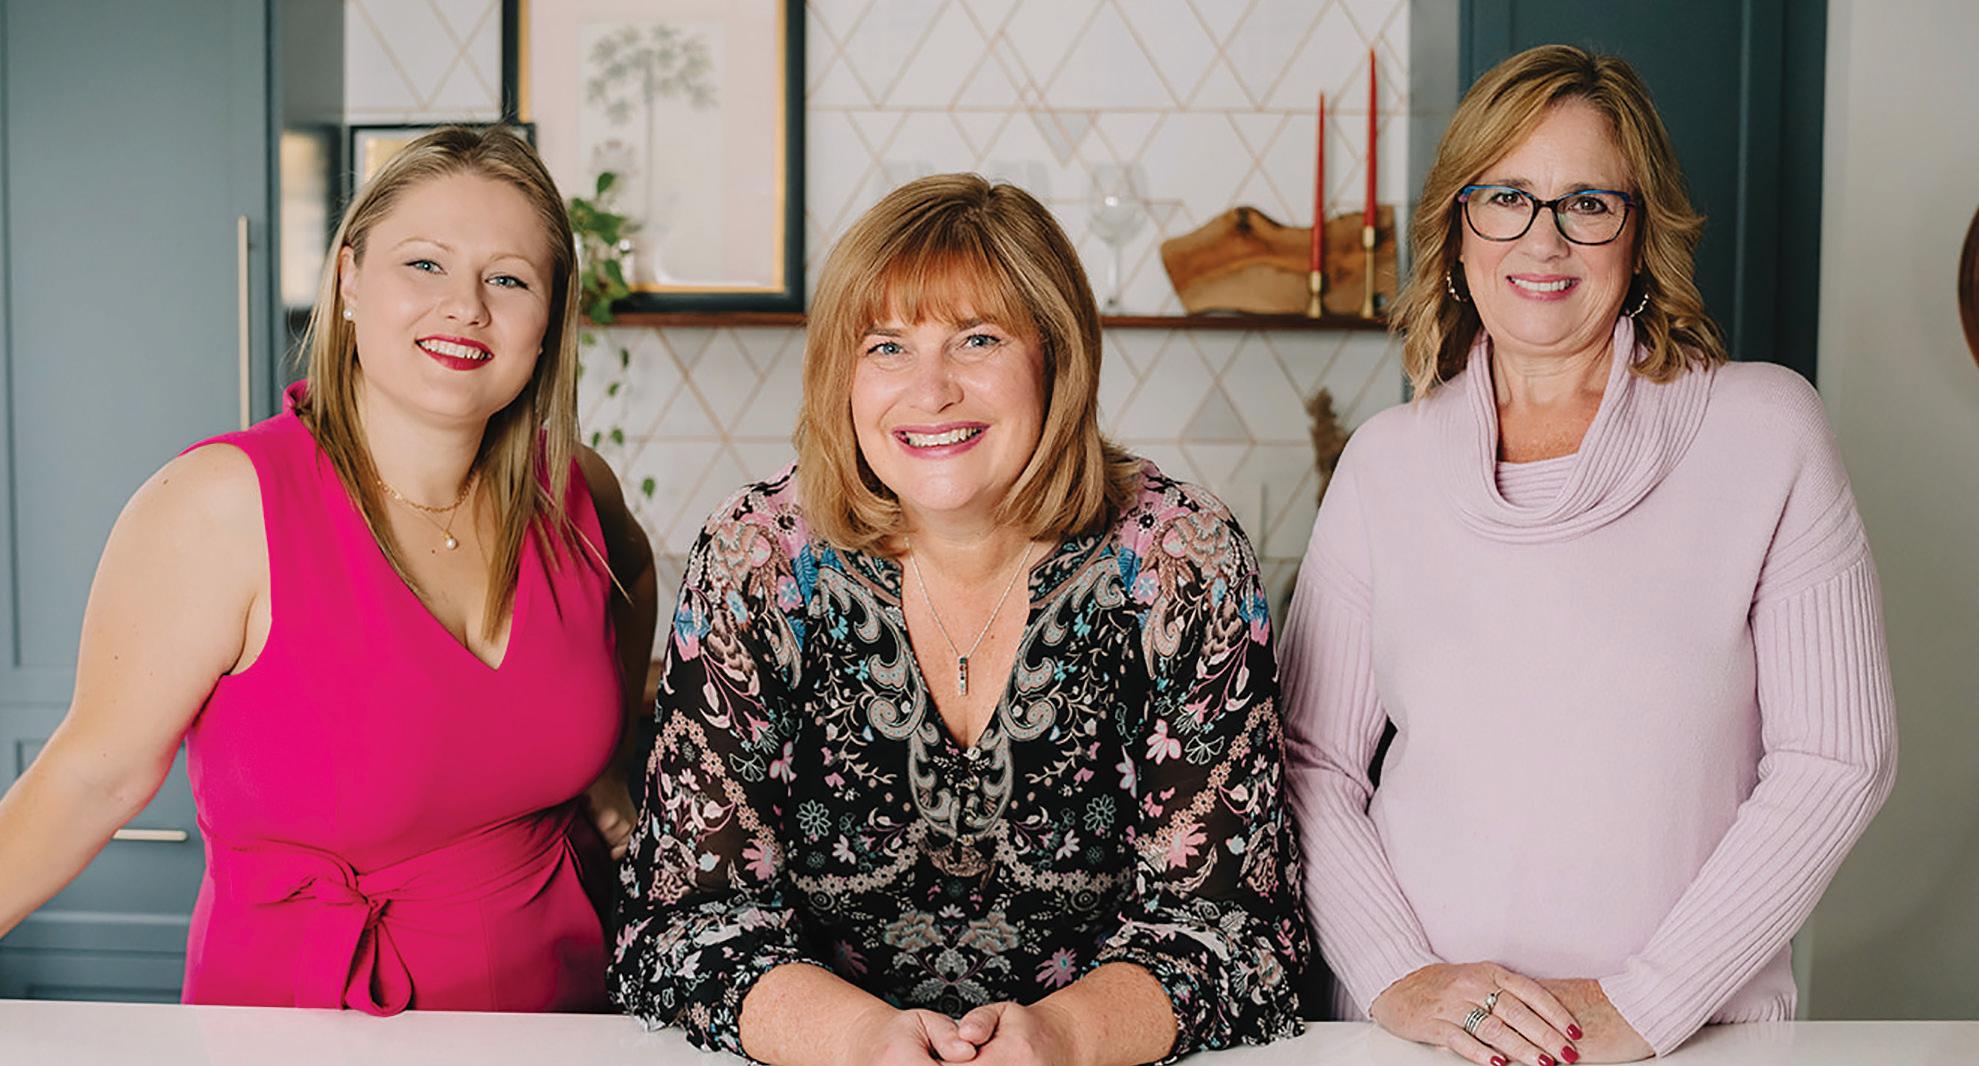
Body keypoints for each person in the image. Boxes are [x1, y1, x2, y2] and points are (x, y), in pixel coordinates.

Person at [1280, 44, 1897, 1066]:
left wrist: (1643, 1005)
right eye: (1505, 198)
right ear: (1455, 231)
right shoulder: (1383, 465)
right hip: (1420, 1042)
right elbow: (1309, 763)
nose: (1543, 237)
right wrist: (1399, 977)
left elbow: (1836, 760)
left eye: (1587, 203)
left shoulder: (1764, 431)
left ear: (1639, 233)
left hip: (1690, 1041)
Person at [609, 174, 1311, 1065]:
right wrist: (860, 1041)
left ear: (1056, 357)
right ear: (840, 376)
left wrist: (1064, 1036)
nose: (930, 390)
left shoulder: (1180, 559)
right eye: (887, 347)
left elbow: (1235, 926)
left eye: (978, 339)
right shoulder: (759, 558)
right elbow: (684, 921)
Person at [0, 126, 658, 1013]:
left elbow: (633, 583)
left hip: (563, 1019)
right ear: (349, 279)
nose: (464, 307)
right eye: (424, 264)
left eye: (507, 279)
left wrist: (604, 766)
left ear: (548, 319)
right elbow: (90, 778)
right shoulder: (222, 505)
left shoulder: (574, 489)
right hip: (298, 1023)